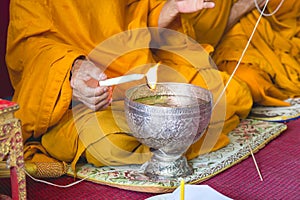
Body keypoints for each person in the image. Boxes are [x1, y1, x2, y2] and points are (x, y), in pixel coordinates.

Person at [6, 0, 254, 177]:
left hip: (135, 72)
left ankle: (165, 138)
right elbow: (29, 46)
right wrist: (73, 70)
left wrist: (170, 10)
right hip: (80, 100)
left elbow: (138, 15)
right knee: (105, 140)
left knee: (229, 94)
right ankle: (171, 138)